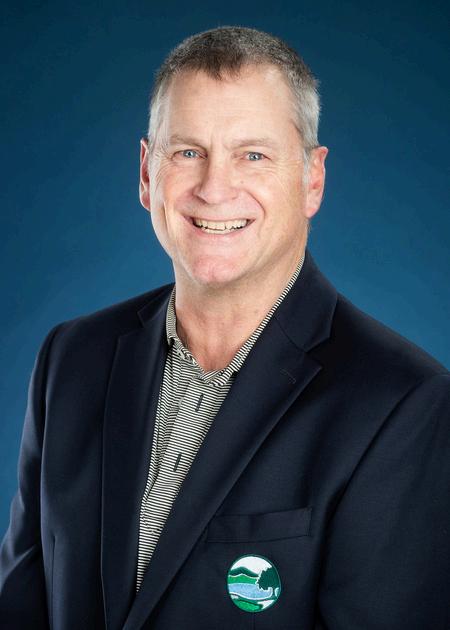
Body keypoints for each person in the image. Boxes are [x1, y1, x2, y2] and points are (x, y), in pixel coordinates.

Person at [1, 25, 449, 630]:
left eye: (252, 155)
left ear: (312, 180)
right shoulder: (71, 360)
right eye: (187, 152)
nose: (214, 189)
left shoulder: (402, 405)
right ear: (146, 173)